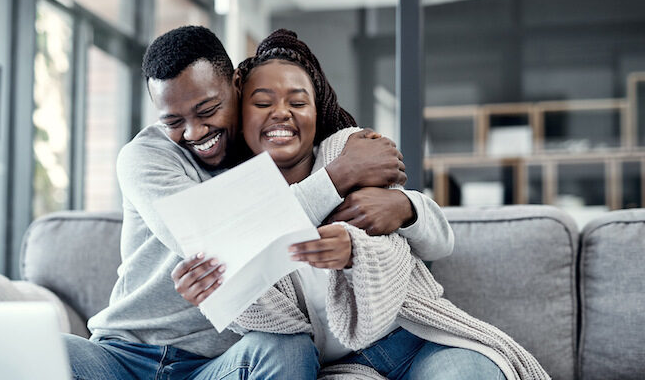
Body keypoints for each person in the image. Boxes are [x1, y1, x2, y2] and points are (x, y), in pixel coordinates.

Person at [64, 25, 450, 379]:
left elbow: (413, 233)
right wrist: (340, 177)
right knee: (47, 351)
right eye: (173, 121)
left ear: (236, 85)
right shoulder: (146, 157)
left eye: (207, 110)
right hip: (123, 356)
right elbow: (215, 238)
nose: (195, 132)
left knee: (288, 350)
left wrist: (404, 206)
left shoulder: (277, 154)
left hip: (220, 365)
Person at [174, 29, 550, 380]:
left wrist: (399, 213)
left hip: (418, 336)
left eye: (298, 101)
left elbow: (419, 245)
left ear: (316, 112)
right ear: (241, 119)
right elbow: (271, 324)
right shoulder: (234, 205)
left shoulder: (349, 152)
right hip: (345, 365)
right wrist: (218, 293)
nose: (281, 112)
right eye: (262, 102)